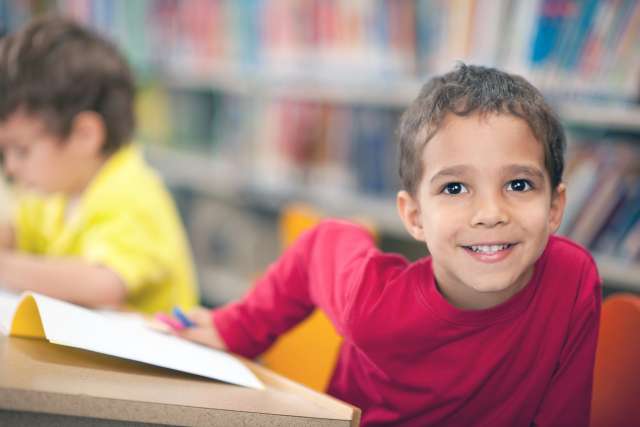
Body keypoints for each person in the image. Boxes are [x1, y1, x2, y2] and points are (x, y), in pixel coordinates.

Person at [172, 64, 602, 426]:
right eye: (455, 188)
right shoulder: (374, 303)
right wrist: (238, 329)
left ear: (555, 206)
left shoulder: (573, 278)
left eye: (519, 184)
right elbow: (326, 241)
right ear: (414, 215)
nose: (490, 213)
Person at [0, 16, 198, 314]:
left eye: (21, 150)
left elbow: (101, 284)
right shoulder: (54, 190)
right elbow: (14, 231)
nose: (11, 167)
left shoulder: (131, 192)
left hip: (149, 357)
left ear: (84, 135)